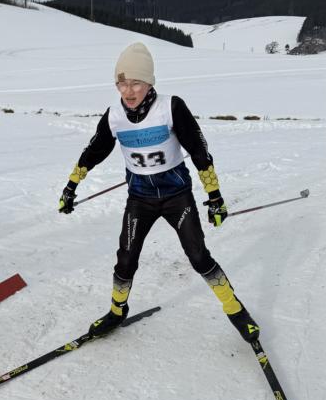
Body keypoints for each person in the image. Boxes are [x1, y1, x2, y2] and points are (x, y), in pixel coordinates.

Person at [58, 42, 259, 342]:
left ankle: (236, 311)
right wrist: (71, 186)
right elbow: (94, 151)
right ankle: (116, 311)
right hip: (140, 199)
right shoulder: (114, 115)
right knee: (126, 259)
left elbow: (199, 151)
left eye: (135, 83)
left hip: (177, 197)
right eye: (121, 83)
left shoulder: (170, 107)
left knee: (198, 256)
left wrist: (215, 196)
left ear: (150, 83)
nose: (128, 91)